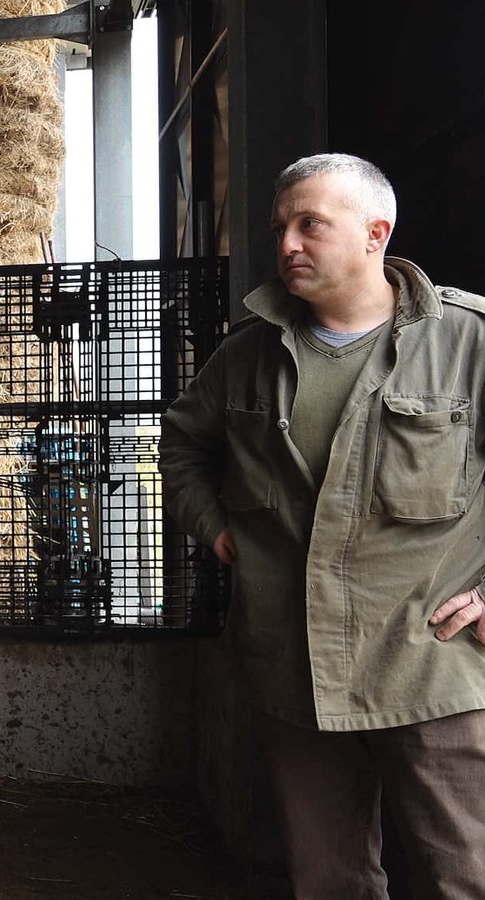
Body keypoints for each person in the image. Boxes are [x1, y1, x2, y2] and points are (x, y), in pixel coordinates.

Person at [161, 153, 485, 896]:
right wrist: (213, 525)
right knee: (328, 878)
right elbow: (181, 443)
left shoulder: (467, 343)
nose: (287, 246)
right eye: (281, 228)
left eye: (311, 225)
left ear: (376, 233)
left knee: (460, 873)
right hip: (295, 661)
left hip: (430, 657)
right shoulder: (247, 356)